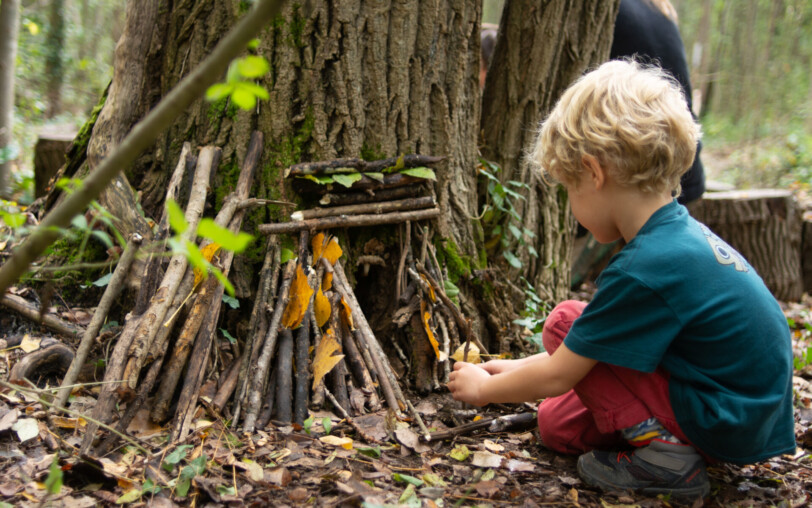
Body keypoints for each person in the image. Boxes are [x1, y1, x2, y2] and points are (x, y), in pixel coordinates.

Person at [447, 60, 795, 501]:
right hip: (738, 412)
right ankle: (671, 445)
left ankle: (668, 460)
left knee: (564, 323)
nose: (570, 203)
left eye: (569, 188)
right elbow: (584, 357)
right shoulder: (676, 238)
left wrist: (486, 390)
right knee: (558, 425)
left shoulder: (646, 266)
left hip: (723, 417)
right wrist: (510, 368)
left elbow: (560, 371)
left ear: (594, 173)